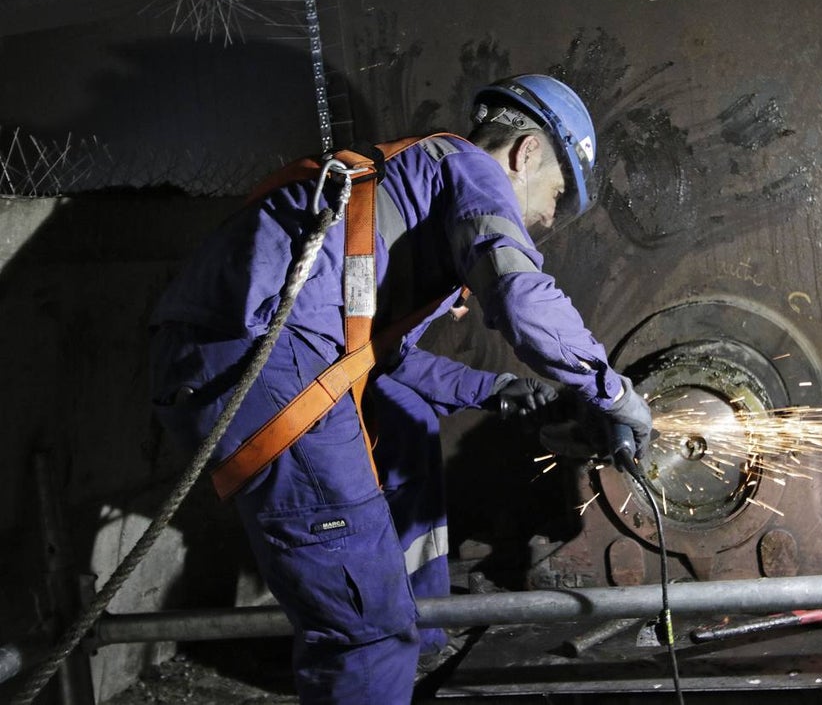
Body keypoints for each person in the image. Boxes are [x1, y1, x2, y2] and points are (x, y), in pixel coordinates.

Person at [147, 74, 652, 704]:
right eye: (555, 195)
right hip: (267, 366)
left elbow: (384, 362)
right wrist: (614, 392)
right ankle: (386, 642)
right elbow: (521, 299)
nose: (548, 218)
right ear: (525, 154)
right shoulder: (472, 169)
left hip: (217, 358)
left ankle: (421, 631)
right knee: (366, 633)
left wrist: (504, 391)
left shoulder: (409, 189)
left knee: (408, 419)